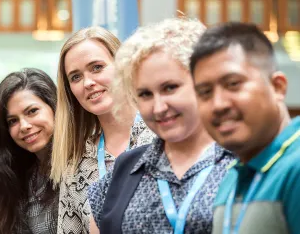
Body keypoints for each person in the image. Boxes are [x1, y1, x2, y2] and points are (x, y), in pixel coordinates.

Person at [87, 18, 234, 234]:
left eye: (170, 88)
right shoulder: (124, 169)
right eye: (145, 94)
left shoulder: (243, 163)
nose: (158, 107)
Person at [190, 22, 300, 234]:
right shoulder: (231, 179)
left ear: (277, 87)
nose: (218, 104)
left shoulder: (294, 167)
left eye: (233, 84)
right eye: (205, 92)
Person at [50, 26, 156, 234]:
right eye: (76, 77)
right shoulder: (75, 164)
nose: (88, 82)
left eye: (97, 67)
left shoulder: (162, 135)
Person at [0, 68, 58, 234]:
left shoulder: (83, 165)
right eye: (13, 121)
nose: (24, 126)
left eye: (32, 111)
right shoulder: (20, 178)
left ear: (54, 107)